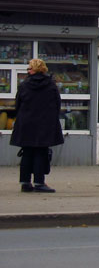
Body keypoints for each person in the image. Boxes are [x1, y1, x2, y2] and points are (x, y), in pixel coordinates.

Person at [9, 58, 63, 193]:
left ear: (34, 70)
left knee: (27, 152)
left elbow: (18, 104)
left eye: (29, 68)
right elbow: (57, 104)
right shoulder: (51, 85)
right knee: (40, 152)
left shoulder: (24, 85)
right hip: (44, 125)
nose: (28, 70)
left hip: (26, 124)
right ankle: (39, 183)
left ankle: (25, 183)